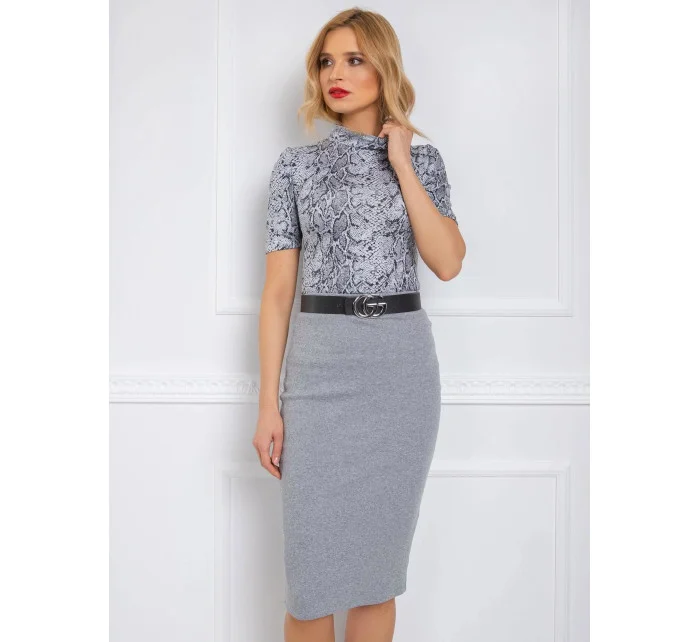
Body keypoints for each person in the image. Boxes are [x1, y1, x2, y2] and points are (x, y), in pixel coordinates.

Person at [253, 7, 466, 642]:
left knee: (376, 577)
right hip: (319, 371)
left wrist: (401, 162)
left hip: (400, 373)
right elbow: (277, 295)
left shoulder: (424, 162)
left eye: (354, 59)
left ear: (384, 67)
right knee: (311, 585)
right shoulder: (295, 167)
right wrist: (268, 405)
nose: (336, 74)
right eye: (326, 62)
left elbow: (447, 262)